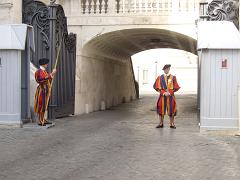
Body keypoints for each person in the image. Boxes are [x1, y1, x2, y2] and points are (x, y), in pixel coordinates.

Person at [153, 64, 180, 129]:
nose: (166, 70)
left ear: (169, 69)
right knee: (160, 109)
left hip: (171, 97)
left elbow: (176, 87)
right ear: (163, 70)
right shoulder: (160, 77)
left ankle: (172, 124)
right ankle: (161, 123)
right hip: (162, 96)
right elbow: (156, 87)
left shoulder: (173, 77)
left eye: (167, 69)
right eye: (165, 69)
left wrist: (169, 93)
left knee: (172, 109)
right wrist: (163, 93)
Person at [34, 58, 57, 126]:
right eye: (46, 64)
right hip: (41, 90)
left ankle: (43, 119)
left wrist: (51, 76)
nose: (47, 65)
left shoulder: (44, 72)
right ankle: (40, 120)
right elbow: (40, 80)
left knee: (44, 105)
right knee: (41, 105)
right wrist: (51, 74)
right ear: (43, 64)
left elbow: (47, 79)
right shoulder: (38, 72)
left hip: (46, 90)